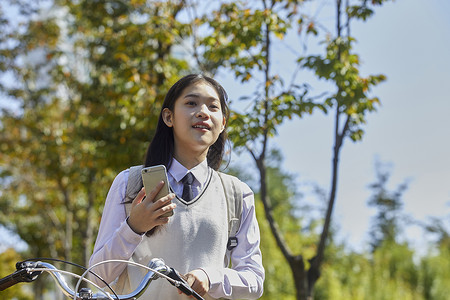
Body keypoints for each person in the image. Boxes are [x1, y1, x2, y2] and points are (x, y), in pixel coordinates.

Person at [89, 74, 264, 300]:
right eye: (191, 103)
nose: (203, 112)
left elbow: (254, 279)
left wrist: (211, 278)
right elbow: (95, 276)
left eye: (213, 106)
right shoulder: (129, 183)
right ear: (168, 117)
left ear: (222, 123)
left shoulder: (237, 194)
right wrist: (134, 227)